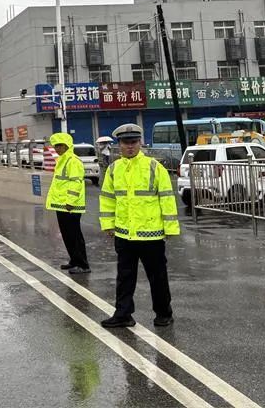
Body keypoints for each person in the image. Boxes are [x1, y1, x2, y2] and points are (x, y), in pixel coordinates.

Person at [99, 124, 179, 329]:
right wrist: (108, 224)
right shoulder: (114, 169)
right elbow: (108, 199)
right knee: (124, 277)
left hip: (151, 235)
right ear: (119, 145)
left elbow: (167, 199)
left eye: (134, 142)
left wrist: (169, 229)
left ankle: (163, 313)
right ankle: (123, 314)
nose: (130, 147)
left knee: (158, 277)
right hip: (125, 234)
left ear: (140, 143)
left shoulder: (154, 167)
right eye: (126, 143)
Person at [45, 132, 90, 275]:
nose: (57, 149)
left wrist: (70, 202)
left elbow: (76, 183)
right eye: (56, 146)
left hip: (70, 206)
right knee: (67, 235)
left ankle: (83, 264)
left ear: (67, 146)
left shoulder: (73, 161)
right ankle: (74, 260)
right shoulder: (63, 160)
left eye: (60, 146)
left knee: (74, 235)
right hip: (62, 205)